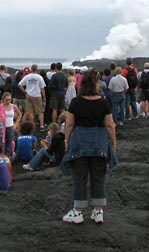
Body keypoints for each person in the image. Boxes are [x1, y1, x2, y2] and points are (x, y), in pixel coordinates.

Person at [61, 69, 117, 224]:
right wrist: (113, 141)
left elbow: (70, 123)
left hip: (80, 142)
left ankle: (78, 212)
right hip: (99, 141)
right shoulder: (103, 102)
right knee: (98, 176)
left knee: (80, 176)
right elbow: (110, 125)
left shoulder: (76, 102)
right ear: (96, 84)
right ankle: (98, 212)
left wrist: (67, 140)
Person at [18, 64, 47, 131]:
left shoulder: (27, 76)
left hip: (29, 95)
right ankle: (41, 126)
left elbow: (19, 85)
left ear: (31, 69)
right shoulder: (39, 77)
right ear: (36, 69)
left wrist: (25, 91)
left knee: (30, 111)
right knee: (40, 111)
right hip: (37, 95)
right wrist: (44, 97)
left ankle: (32, 126)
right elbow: (42, 88)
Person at [0, 92, 22, 156]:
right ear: (3, 99)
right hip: (1, 127)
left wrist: (16, 124)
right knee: (0, 143)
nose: (8, 101)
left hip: (10, 127)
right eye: (6, 100)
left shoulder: (13, 106)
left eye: (9, 100)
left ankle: (7, 158)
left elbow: (19, 115)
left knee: (9, 144)